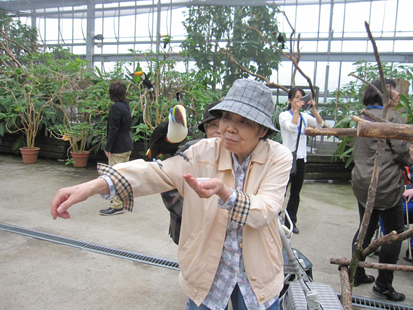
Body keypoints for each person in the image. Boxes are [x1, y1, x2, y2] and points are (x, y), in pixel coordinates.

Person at [51, 78, 292, 310]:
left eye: (244, 122)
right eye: (227, 117)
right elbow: (157, 172)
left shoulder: (279, 157)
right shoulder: (203, 150)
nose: (229, 127)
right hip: (207, 269)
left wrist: (226, 193)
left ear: (262, 131)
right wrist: (94, 185)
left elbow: (266, 210)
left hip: (257, 275)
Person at [351, 79, 410, 302]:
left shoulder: (362, 116)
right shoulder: (391, 117)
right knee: (394, 234)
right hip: (385, 184)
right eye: (393, 91)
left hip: (362, 182)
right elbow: (403, 152)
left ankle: (355, 271)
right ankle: (383, 285)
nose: (396, 94)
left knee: (366, 227)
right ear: (384, 94)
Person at [161, 100, 221, 245]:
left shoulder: (235, 153)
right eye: (213, 125)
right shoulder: (189, 149)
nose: (219, 130)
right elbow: (168, 186)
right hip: (187, 228)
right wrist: (192, 214)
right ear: (205, 129)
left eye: (223, 125)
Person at [278, 87, 324, 234]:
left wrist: (314, 109)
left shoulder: (304, 116)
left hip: (300, 159)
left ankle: (291, 221)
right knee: (281, 191)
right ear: (290, 100)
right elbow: (291, 127)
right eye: (296, 98)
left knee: (295, 193)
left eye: (301, 98)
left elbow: (320, 124)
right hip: (286, 158)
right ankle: (275, 219)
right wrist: (296, 111)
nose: (299, 100)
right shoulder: (284, 115)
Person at [99, 80, 133, 216]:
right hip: (127, 145)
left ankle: (117, 205)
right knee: (123, 175)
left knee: (115, 177)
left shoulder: (115, 108)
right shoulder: (126, 106)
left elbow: (113, 129)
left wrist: (108, 147)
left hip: (118, 147)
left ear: (111, 94)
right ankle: (123, 201)